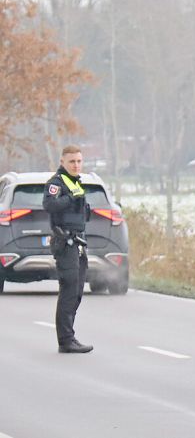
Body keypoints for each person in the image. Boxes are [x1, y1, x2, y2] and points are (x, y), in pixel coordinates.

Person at [42, 145, 93, 354]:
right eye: (72, 161)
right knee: (69, 290)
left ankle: (69, 336)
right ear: (63, 162)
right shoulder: (56, 183)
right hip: (65, 243)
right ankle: (66, 340)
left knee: (78, 290)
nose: (76, 165)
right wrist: (71, 198)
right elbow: (49, 205)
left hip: (78, 243)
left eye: (79, 161)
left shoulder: (76, 182)